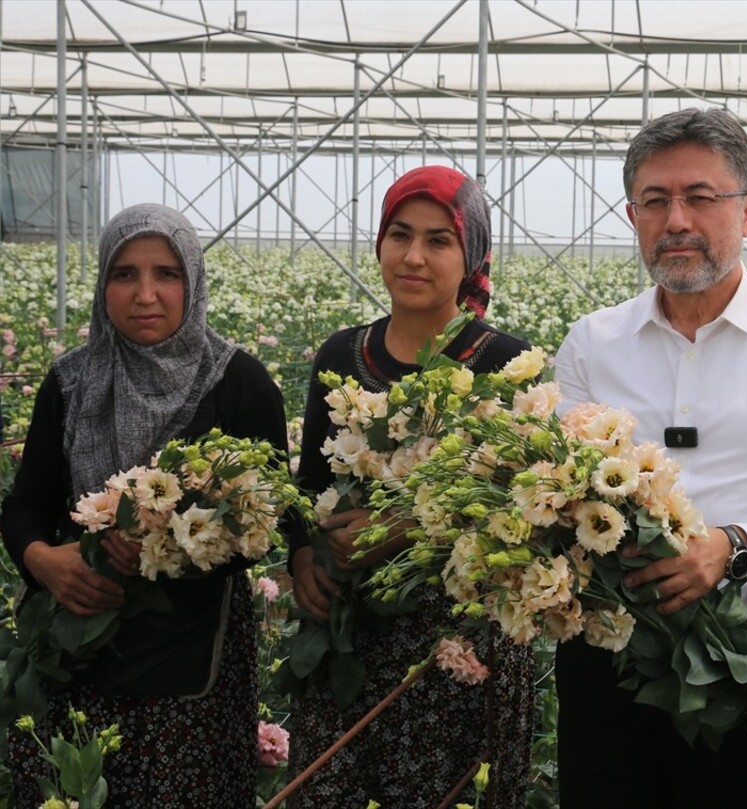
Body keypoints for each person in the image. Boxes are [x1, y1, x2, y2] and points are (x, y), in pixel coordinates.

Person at [553, 107, 747, 808]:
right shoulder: (592, 344)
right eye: (655, 200)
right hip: (608, 654)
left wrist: (729, 548)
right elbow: (559, 493)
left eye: (701, 197)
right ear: (632, 212)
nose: (676, 220)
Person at [2, 203, 297, 806]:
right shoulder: (70, 382)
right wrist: (41, 559)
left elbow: (268, 521)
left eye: (167, 273)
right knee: (77, 787)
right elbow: (26, 502)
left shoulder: (239, 384)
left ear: (193, 281)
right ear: (102, 285)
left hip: (191, 655)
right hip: (77, 640)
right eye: (123, 274)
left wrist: (171, 551)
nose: (145, 294)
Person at [287, 165, 535, 808]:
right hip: (348, 634)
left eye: (438, 240)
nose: (414, 256)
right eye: (399, 235)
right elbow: (309, 487)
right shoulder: (342, 355)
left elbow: (525, 506)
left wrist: (407, 529)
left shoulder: (504, 361)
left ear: (471, 254)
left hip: (456, 647)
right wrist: (305, 556)